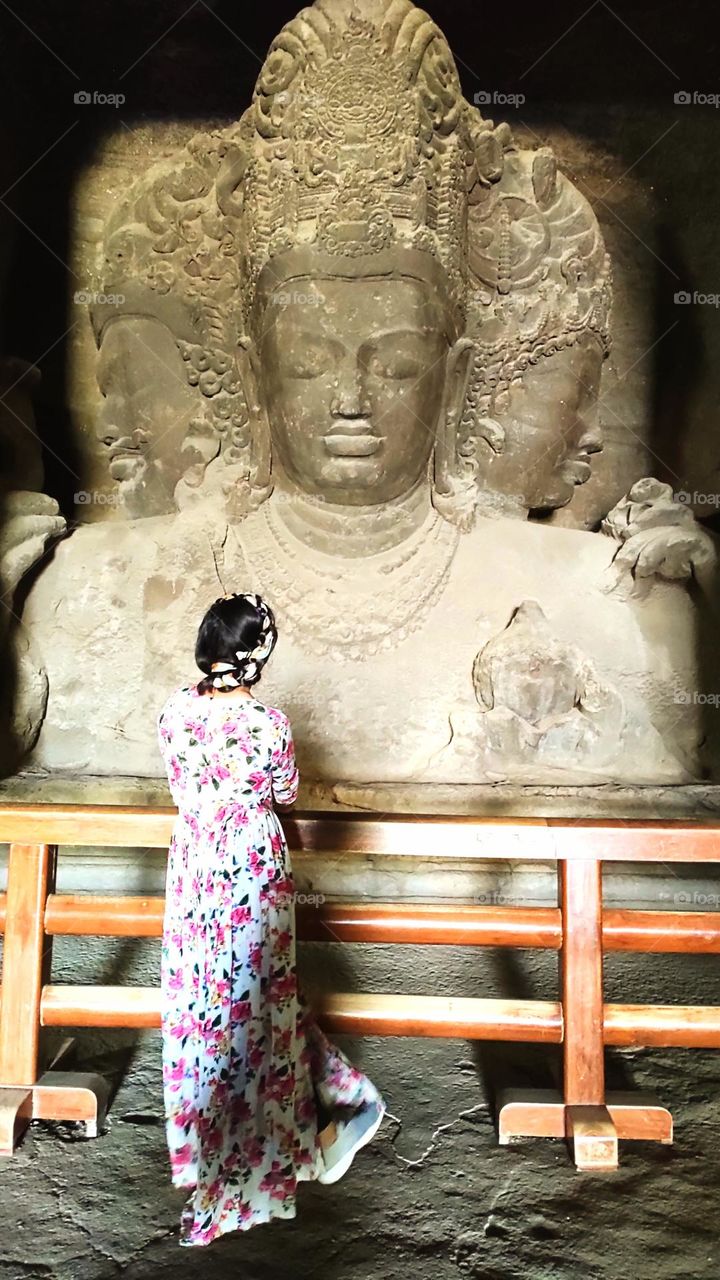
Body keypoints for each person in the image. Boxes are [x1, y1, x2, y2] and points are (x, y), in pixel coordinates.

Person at [157, 591, 386, 1247]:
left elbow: (181, 782)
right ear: (258, 654)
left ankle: (218, 1160)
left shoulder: (175, 711)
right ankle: (292, 1145)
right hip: (251, 872)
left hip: (196, 867)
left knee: (205, 1009)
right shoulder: (268, 726)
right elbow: (284, 792)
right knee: (258, 1009)